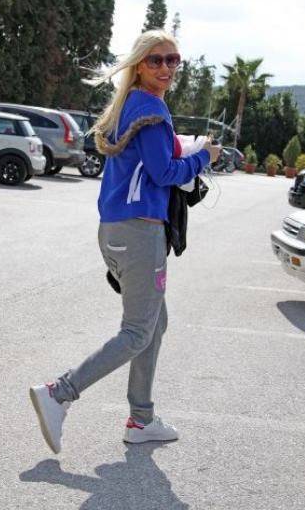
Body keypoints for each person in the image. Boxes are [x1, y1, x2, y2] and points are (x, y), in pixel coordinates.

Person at [29, 29, 221, 454]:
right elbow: (164, 173)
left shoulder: (130, 104)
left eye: (173, 60)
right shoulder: (150, 109)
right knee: (137, 332)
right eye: (156, 60)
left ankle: (141, 419)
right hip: (139, 233)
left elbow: (148, 165)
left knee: (155, 323)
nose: (166, 68)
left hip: (118, 230)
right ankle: (59, 393)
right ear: (139, 65)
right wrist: (203, 156)